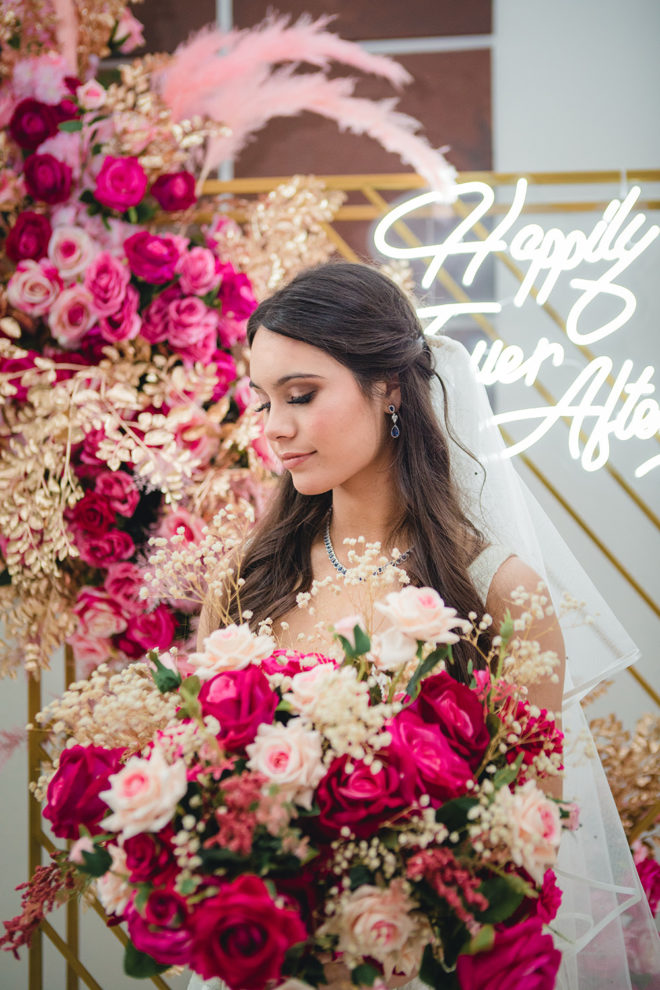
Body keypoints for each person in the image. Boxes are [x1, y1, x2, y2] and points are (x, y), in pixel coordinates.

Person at [194, 261, 659, 990]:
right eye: (263, 402)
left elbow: (530, 844)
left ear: (388, 388)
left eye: (302, 396)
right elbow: (209, 796)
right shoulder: (250, 583)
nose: (275, 429)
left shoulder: (500, 590)